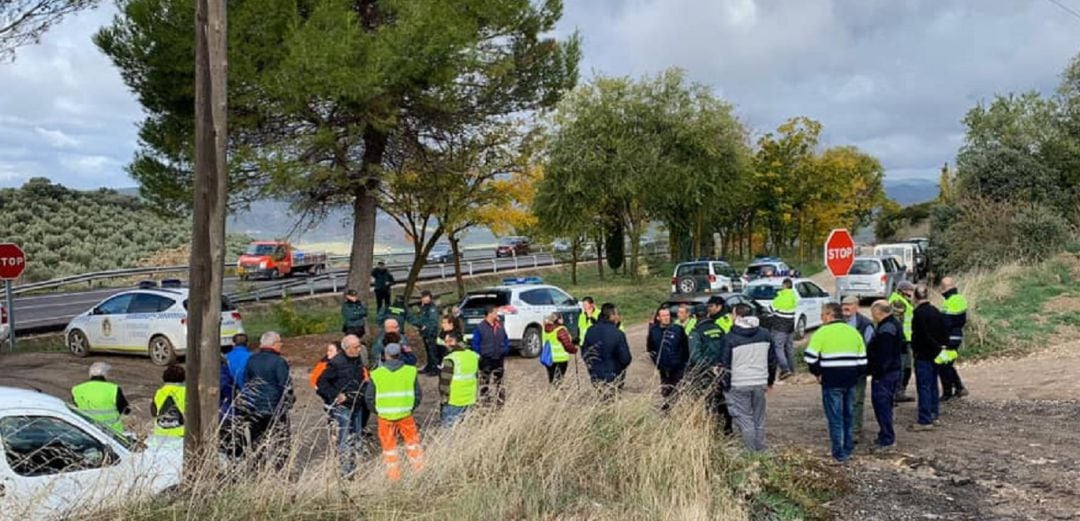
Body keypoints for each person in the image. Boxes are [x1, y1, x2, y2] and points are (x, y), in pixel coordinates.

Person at [804, 303, 867, 463]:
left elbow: (810, 357)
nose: (821, 318)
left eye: (822, 314)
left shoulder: (822, 332)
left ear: (829, 315)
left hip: (831, 381)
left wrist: (818, 372)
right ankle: (848, 447)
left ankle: (839, 453)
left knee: (835, 417)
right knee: (848, 415)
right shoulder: (854, 332)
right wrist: (853, 374)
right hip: (851, 380)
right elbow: (862, 362)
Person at [718, 304, 777, 452]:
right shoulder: (765, 334)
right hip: (760, 382)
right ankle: (761, 451)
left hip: (738, 384)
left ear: (737, 316)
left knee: (745, 420)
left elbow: (724, 365)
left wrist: (725, 385)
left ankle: (750, 454)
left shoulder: (730, 338)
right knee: (759, 419)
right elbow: (772, 361)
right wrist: (770, 381)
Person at [364, 343, 424, 481]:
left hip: (385, 417)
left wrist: (378, 410)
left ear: (385, 355)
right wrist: (409, 407)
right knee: (413, 444)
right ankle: (419, 472)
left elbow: (369, 397)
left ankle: (394, 477)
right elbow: (418, 394)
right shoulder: (410, 371)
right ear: (400, 354)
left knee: (389, 447)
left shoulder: (377, 374)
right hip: (406, 415)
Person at [238, 331, 295, 470]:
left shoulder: (252, 360)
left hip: (254, 408)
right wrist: (290, 401)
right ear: (274, 344)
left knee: (257, 442)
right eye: (280, 343)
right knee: (281, 441)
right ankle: (281, 469)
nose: (281, 345)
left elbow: (246, 382)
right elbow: (285, 385)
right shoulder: (279, 362)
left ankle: (258, 470)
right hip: (275, 408)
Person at [316, 335, 369, 475]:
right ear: (347, 348)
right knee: (344, 439)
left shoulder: (358, 360)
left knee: (357, 437)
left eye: (359, 346)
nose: (359, 349)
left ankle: (357, 468)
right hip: (343, 407)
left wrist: (362, 393)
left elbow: (363, 381)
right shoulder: (336, 363)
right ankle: (346, 471)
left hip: (357, 404)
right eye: (356, 347)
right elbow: (321, 383)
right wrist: (335, 396)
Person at [688, 296, 733, 435]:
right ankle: (728, 428)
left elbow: (695, 356)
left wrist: (706, 369)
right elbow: (726, 348)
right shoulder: (718, 328)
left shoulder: (695, 333)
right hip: (720, 370)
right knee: (720, 398)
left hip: (705, 373)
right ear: (707, 314)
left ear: (695, 317)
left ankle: (709, 430)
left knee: (706, 401)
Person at [868, 300, 903, 451]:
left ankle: (888, 440)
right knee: (884, 406)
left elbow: (884, 355)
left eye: (873, 313)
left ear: (878, 312)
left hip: (885, 375)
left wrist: (877, 372)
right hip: (890, 372)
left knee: (882, 406)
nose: (872, 316)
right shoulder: (892, 324)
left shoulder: (886, 329)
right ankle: (885, 435)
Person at [910, 285, 946, 432]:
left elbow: (921, 335)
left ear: (915, 297)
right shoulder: (935, 311)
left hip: (923, 354)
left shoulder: (918, 314)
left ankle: (925, 419)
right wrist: (940, 347)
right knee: (932, 385)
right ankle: (934, 414)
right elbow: (943, 332)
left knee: (924, 387)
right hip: (935, 354)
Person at [841, 296, 875, 442]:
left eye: (849, 305)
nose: (845, 308)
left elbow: (869, 347)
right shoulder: (838, 323)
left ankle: (855, 430)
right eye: (843, 305)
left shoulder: (865, 324)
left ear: (856, 306)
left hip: (857, 369)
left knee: (856, 400)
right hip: (840, 368)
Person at [581, 303, 633, 393]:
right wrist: (620, 369)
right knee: (612, 401)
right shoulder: (618, 334)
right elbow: (626, 358)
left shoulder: (590, 331)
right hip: (614, 375)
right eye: (617, 314)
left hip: (595, 375)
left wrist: (592, 368)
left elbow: (585, 353)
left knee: (600, 401)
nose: (618, 317)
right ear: (611, 315)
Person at [647, 307, 689, 411]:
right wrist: (657, 362)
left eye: (668, 315)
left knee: (678, 390)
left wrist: (683, 363)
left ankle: (678, 409)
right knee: (666, 390)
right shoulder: (653, 331)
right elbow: (650, 348)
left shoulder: (678, 329)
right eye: (664, 316)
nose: (666, 318)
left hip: (678, 367)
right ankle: (668, 408)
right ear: (658, 317)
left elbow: (685, 348)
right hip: (663, 368)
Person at [71, 362, 131, 434]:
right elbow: (125, 410)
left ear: (90, 374)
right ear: (105, 374)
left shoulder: (77, 390)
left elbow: (76, 406)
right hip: (113, 432)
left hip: (88, 430)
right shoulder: (113, 389)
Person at [471, 305, 510, 407]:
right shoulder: (480, 327)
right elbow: (475, 343)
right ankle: (485, 401)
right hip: (486, 359)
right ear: (489, 314)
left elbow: (506, 338)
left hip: (499, 357)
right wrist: (481, 354)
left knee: (500, 381)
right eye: (495, 312)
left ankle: (500, 400)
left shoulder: (500, 325)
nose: (497, 315)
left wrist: (505, 350)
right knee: (485, 382)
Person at [938, 277, 969, 400]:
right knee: (948, 364)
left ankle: (948, 392)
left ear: (945, 288)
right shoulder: (960, 299)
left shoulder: (949, 302)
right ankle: (959, 387)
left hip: (950, 337)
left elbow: (945, 323)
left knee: (943, 364)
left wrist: (941, 339)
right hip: (957, 335)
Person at [439, 332, 479, 427]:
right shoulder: (473, 355)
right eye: (445, 342)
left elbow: (444, 383)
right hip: (470, 399)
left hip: (454, 400)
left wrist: (444, 398)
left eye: (449, 341)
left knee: (449, 432)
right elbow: (476, 375)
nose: (447, 344)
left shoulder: (450, 359)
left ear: (456, 342)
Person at [889, 281, 916, 402]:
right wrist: (901, 339)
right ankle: (896, 393)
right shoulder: (897, 302)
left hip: (906, 339)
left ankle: (899, 392)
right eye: (909, 290)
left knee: (906, 367)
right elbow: (897, 322)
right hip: (902, 340)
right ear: (903, 291)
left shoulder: (903, 301)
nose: (911, 293)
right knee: (902, 368)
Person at [769, 278, 797, 380]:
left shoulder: (780, 297)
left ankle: (785, 370)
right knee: (789, 347)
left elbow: (771, 308)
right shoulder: (794, 296)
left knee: (778, 347)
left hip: (780, 325)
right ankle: (792, 369)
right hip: (791, 324)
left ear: (784, 286)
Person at [410, 290, 442, 377]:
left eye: (425, 298)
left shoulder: (432, 308)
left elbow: (433, 322)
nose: (423, 300)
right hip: (425, 333)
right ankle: (429, 366)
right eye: (423, 298)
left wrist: (426, 327)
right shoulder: (424, 307)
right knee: (428, 351)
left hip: (430, 333)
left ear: (430, 298)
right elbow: (421, 319)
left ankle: (435, 368)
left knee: (432, 351)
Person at [151, 365, 186, 438]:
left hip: (160, 434)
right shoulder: (186, 392)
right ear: (183, 378)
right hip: (182, 435)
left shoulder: (158, 392)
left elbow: (153, 413)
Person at [542, 312, 578, 384]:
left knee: (552, 379)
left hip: (549, 358)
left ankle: (552, 393)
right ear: (559, 319)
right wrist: (574, 350)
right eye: (561, 318)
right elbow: (567, 344)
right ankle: (558, 393)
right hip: (561, 358)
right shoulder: (560, 330)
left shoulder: (545, 329)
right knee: (559, 379)